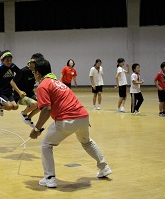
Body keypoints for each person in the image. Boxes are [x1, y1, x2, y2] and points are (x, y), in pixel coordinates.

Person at [29, 59, 111, 188]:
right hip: (83, 117)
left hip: (66, 120)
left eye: (34, 72)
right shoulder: (58, 83)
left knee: (46, 144)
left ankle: (49, 178)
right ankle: (104, 167)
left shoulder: (42, 86)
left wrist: (36, 129)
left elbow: (46, 109)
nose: (34, 75)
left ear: (38, 73)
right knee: (86, 141)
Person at [13, 53, 44, 128]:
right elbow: (12, 82)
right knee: (34, 104)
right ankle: (23, 113)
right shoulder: (23, 71)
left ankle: (28, 117)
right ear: (32, 62)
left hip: (30, 94)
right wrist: (19, 92)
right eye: (37, 64)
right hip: (20, 96)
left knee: (42, 105)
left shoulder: (35, 72)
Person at [0, 50, 22, 116]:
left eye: (10, 60)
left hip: (9, 91)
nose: (9, 62)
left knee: (15, 107)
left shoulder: (12, 66)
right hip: (0, 92)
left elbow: (20, 72)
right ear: (2, 60)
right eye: (7, 60)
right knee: (9, 107)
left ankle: (0, 106)